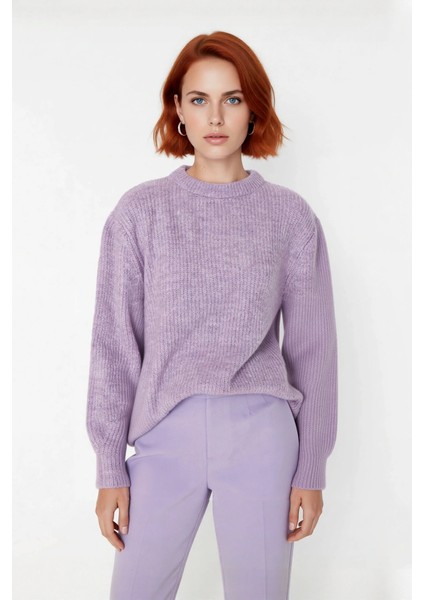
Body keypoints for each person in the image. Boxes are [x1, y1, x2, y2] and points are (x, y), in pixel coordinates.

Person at [86, 30, 338, 600]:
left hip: (262, 435)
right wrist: (109, 467)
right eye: (199, 99)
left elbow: (313, 352)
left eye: (233, 98)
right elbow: (114, 346)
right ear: (178, 108)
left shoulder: (289, 218)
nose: (216, 117)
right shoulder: (140, 213)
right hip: (163, 434)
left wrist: (311, 469)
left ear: (254, 109)